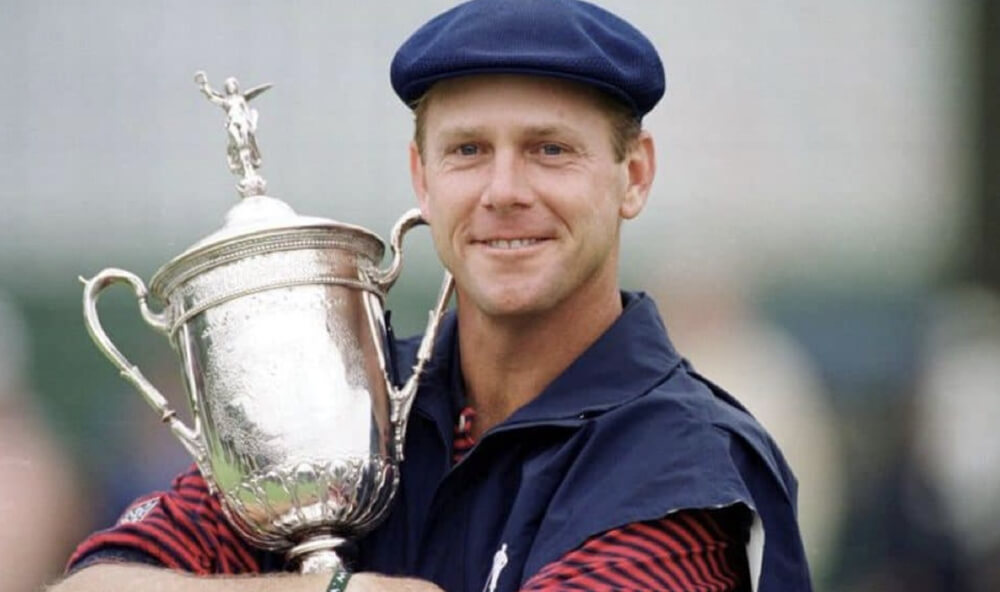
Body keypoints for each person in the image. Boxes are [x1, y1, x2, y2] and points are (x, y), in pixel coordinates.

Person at [54, 1, 811, 590]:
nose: (503, 191)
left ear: (634, 175)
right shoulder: (348, 410)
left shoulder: (683, 466)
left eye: (549, 150)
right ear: (422, 177)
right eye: (468, 151)